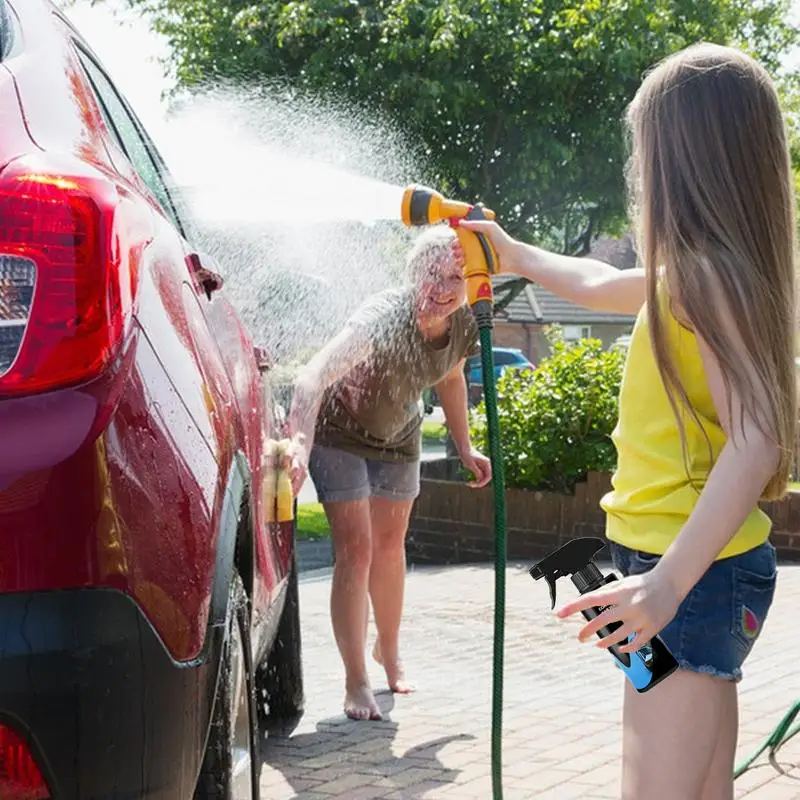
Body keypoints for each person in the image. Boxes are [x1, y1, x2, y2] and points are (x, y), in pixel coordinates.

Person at [461, 42, 796, 800]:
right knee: (702, 787)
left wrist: (666, 587)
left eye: (648, 157)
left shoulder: (707, 283)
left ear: (684, 163)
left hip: (688, 577)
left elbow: (758, 438)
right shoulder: (699, 277)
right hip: (701, 575)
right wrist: (514, 254)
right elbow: (598, 280)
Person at [286, 225, 492, 721]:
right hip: (340, 432)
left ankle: (389, 653)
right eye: (432, 276)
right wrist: (299, 440)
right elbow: (311, 376)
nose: (442, 289)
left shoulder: (463, 322)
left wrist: (465, 447)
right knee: (356, 549)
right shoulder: (383, 319)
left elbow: (450, 377)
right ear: (412, 274)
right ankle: (356, 680)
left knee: (391, 546)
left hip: (400, 436)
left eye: (454, 279)